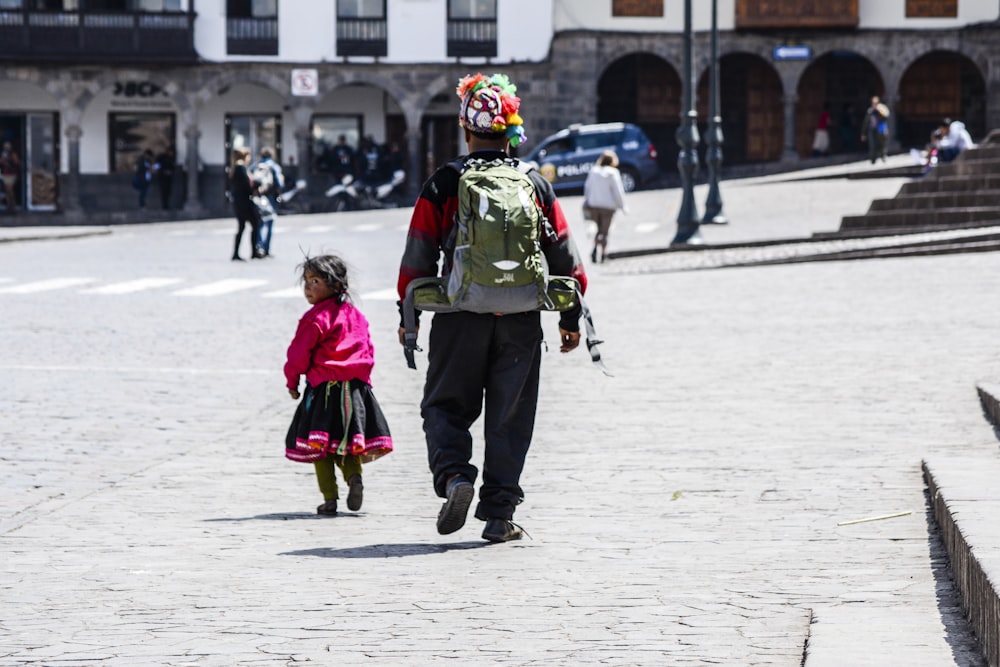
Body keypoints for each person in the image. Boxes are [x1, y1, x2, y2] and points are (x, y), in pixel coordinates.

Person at [396, 72, 588, 543]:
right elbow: (565, 257)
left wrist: (410, 318)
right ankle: (499, 516)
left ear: (466, 130)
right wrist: (568, 319)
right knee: (511, 416)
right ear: (512, 133)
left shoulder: (445, 181)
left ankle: (456, 477)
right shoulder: (535, 184)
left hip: (460, 315)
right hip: (521, 318)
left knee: (444, 405)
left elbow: (417, 256)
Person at [284, 255, 393, 516]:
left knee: (319, 446)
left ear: (335, 285)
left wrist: (292, 381)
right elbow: (367, 349)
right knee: (347, 443)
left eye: (315, 281)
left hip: (323, 390)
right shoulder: (356, 316)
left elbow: (298, 354)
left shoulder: (315, 318)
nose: (308, 287)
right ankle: (354, 477)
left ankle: (330, 498)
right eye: (307, 281)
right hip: (354, 392)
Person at [582, 149, 627, 263]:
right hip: (608, 207)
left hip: (594, 205)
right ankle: (603, 253)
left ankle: (594, 248)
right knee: (604, 231)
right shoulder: (613, 173)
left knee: (598, 229)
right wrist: (622, 206)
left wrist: (588, 200)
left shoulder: (593, 171)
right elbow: (618, 191)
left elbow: (587, 188)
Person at [229, 147, 264, 261]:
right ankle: (253, 251)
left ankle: (237, 253)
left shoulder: (236, 167)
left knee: (242, 227)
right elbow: (246, 185)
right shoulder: (240, 167)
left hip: (240, 202)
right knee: (255, 224)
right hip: (245, 202)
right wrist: (256, 185)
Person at [252, 148, 284, 257]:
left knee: (260, 223)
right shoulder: (274, 166)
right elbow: (279, 183)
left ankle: (259, 246)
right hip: (270, 197)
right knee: (269, 222)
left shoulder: (256, 165)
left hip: (259, 197)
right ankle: (266, 248)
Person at [861, 95, 890, 164]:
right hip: (872, 130)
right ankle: (873, 160)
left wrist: (880, 111)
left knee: (882, 144)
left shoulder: (882, 109)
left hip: (881, 130)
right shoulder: (870, 111)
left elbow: (887, 117)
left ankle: (883, 156)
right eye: (873, 103)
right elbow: (866, 122)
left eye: (876, 103)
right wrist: (863, 133)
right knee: (872, 145)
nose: (874, 104)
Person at [0, 141, 21, 212]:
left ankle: (13, 204)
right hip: (5, 173)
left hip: (12, 174)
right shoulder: (3, 154)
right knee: (7, 190)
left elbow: (16, 162)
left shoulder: (13, 154)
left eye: (8, 147)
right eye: (5, 147)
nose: (6, 148)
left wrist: (8, 161)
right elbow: (1, 161)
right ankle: (9, 205)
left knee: (10, 189)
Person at [156, 145, 176, 210]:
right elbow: (157, 166)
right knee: (163, 192)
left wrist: (171, 172)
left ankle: (166, 205)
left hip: (169, 178)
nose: (171, 154)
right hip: (162, 178)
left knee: (168, 192)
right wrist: (163, 171)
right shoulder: (161, 158)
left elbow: (173, 168)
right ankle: (164, 206)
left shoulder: (171, 159)